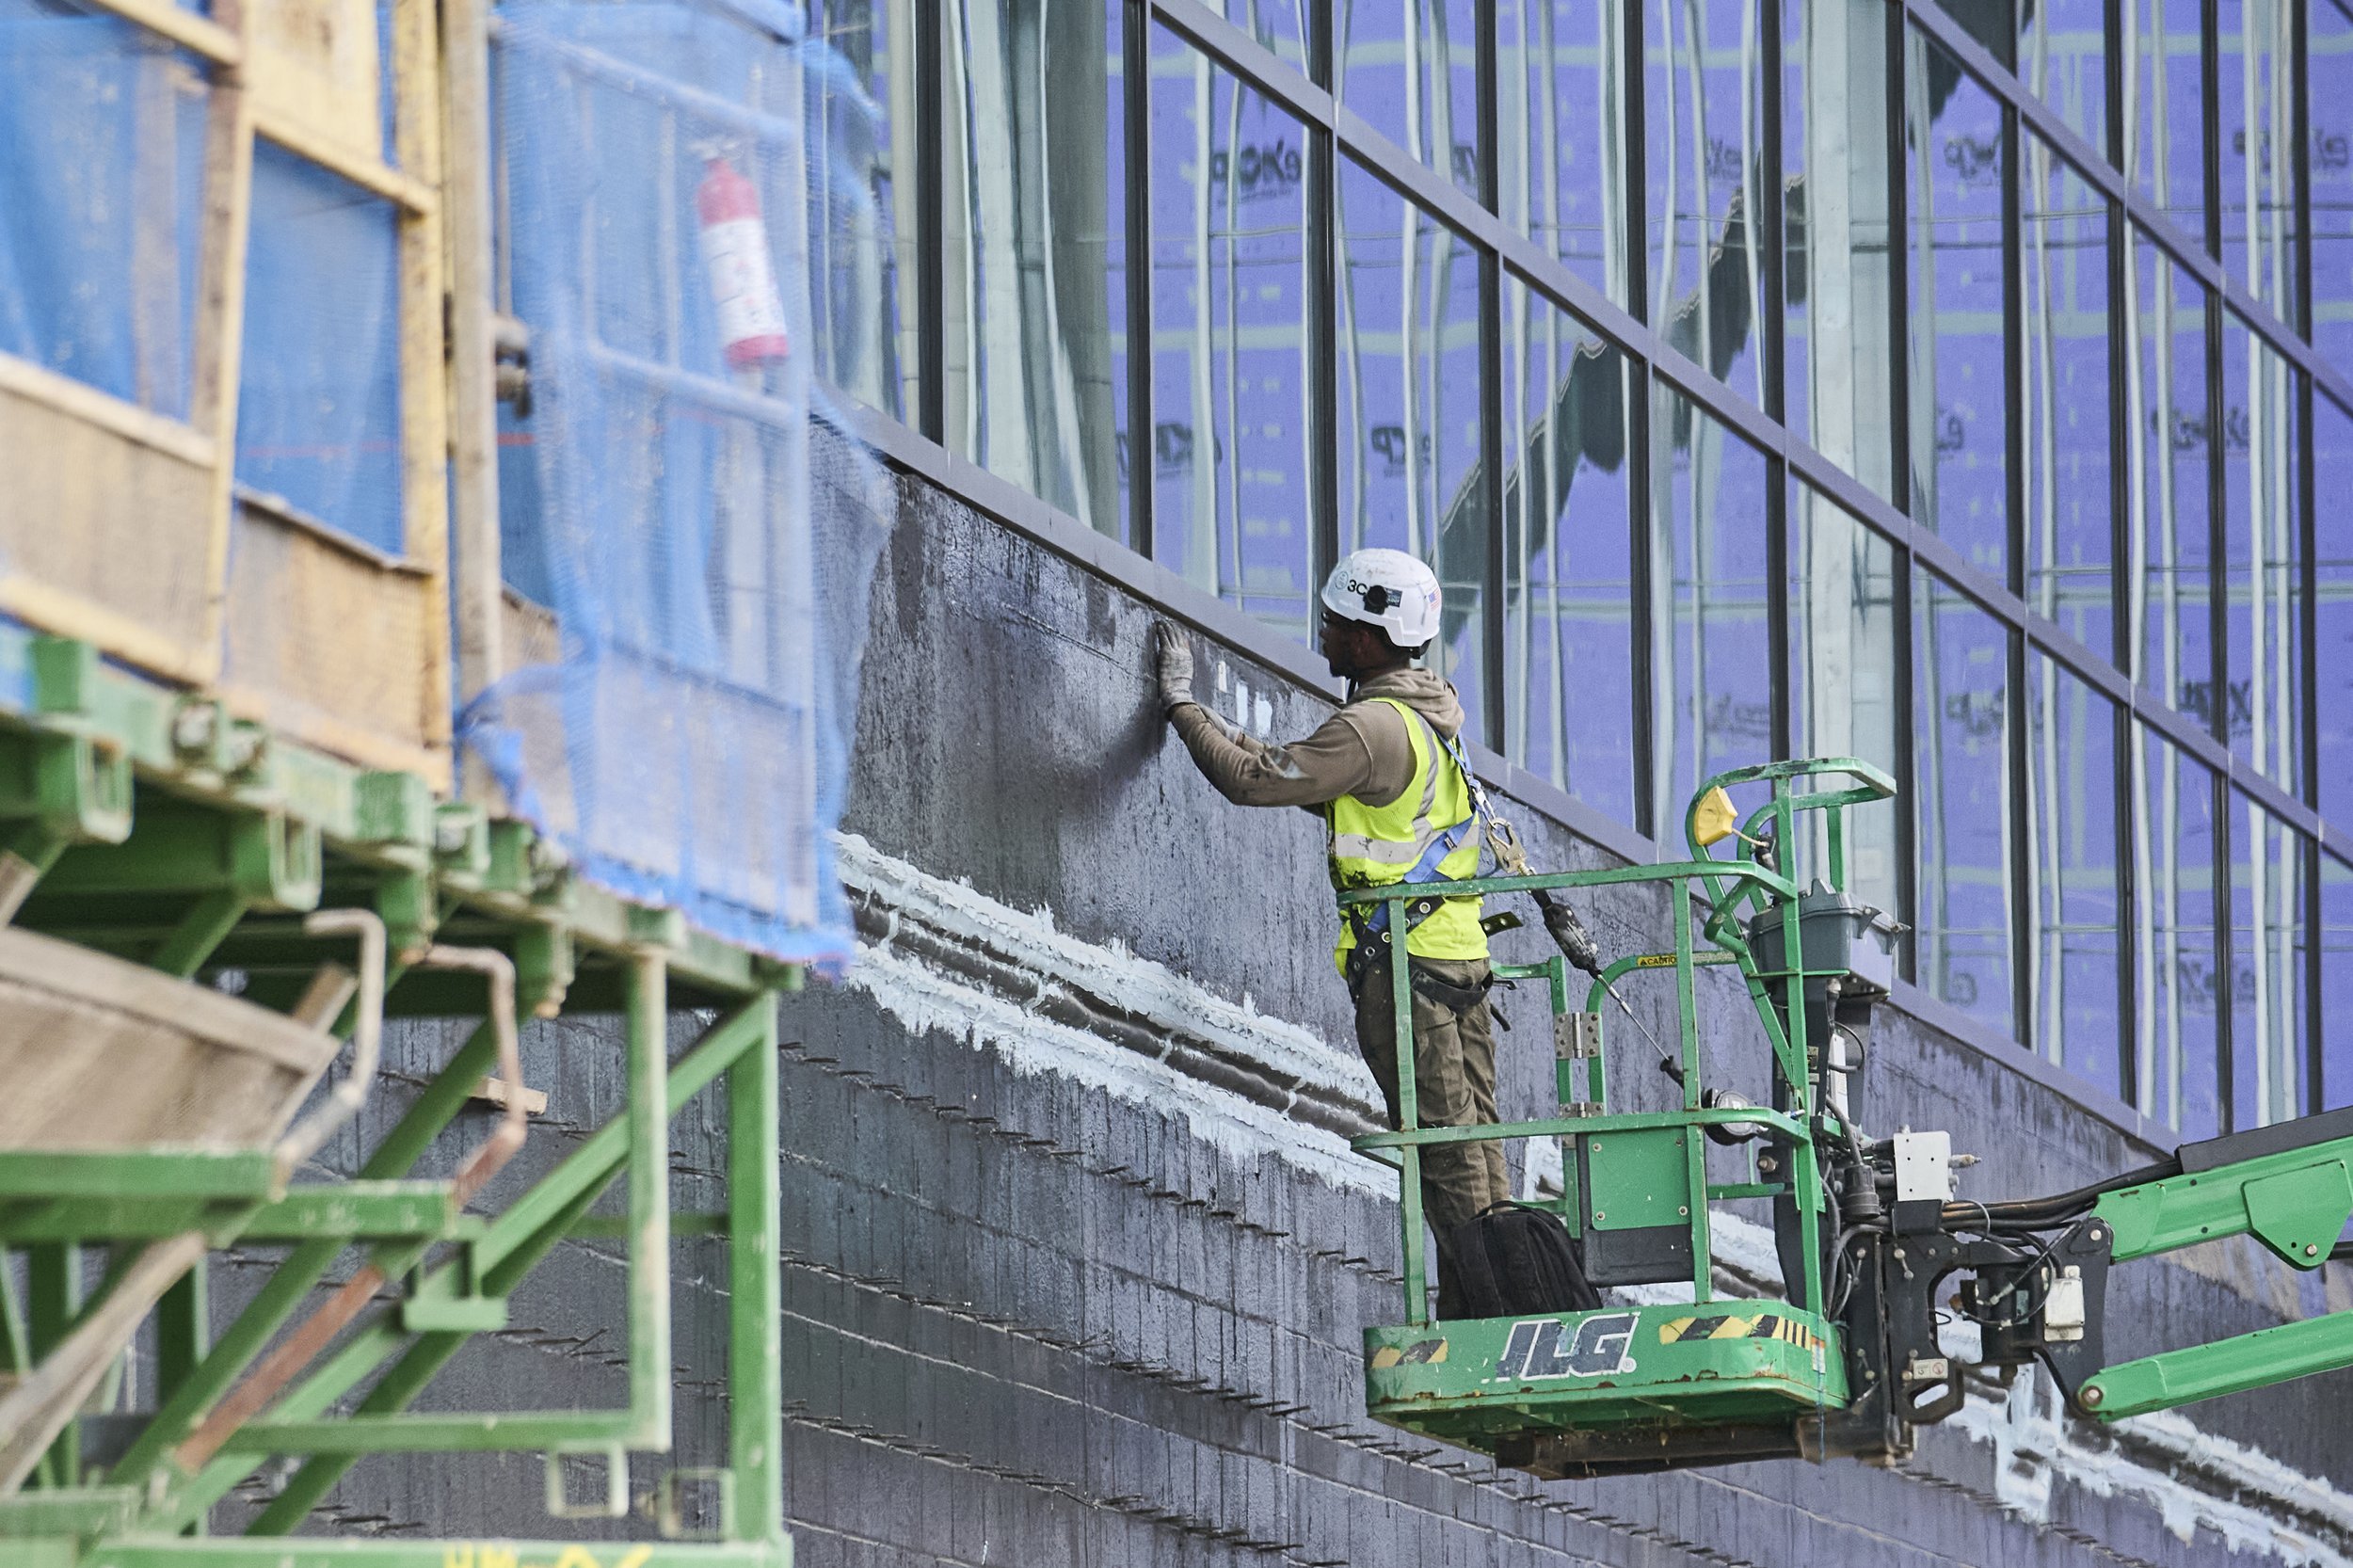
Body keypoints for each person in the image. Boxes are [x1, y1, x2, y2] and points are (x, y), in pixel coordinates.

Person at [1150, 548, 1508, 1312]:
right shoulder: (1428, 717)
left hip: (1409, 973)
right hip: (1458, 964)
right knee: (1474, 1148)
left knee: (1444, 1156)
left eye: (1337, 620)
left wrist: (1181, 706)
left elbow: (1254, 783)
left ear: (1369, 636)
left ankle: (1497, 1315)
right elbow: (1296, 772)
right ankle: (1502, 1296)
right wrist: (1219, 722)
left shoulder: (1371, 726)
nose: (1326, 628)